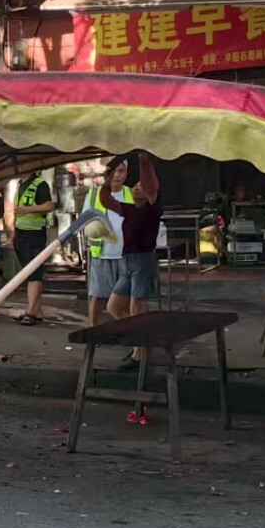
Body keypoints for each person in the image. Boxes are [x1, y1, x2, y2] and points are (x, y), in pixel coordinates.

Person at [99, 152, 162, 371]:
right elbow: (105, 199)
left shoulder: (152, 209)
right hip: (127, 261)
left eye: (140, 185)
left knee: (137, 309)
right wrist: (108, 177)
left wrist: (143, 158)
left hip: (142, 261)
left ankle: (139, 354)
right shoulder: (127, 209)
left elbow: (151, 185)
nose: (137, 187)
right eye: (135, 185)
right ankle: (142, 340)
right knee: (114, 307)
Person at [5, 170, 57, 325]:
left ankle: (30, 312)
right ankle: (37, 310)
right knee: (29, 273)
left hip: (35, 234)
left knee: (34, 273)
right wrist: (14, 233)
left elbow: (49, 206)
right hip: (21, 233)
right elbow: (17, 212)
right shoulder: (20, 184)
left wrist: (28, 209)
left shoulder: (40, 184)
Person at [86, 156, 130, 328]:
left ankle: (127, 332)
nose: (117, 175)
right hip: (102, 254)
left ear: (127, 173)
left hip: (126, 255)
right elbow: (85, 221)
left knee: (125, 299)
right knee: (98, 296)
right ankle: (93, 331)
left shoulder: (132, 194)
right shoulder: (93, 195)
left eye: (121, 171)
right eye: (113, 171)